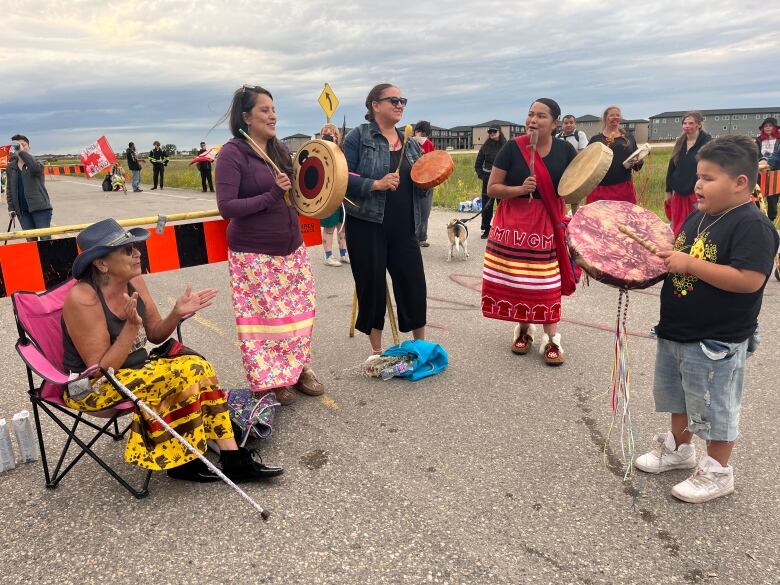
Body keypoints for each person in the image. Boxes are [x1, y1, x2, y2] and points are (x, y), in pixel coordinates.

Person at [62, 218, 283, 483]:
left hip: (135, 372)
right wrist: (131, 328)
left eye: (135, 247)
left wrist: (176, 313)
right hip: (93, 387)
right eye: (127, 250)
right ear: (101, 263)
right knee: (177, 375)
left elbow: (155, 333)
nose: (137, 253)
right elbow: (101, 370)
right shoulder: (83, 298)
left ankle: (233, 458)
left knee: (196, 365)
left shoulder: (135, 282)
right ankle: (184, 462)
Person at [635, 136, 778, 503]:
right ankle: (680, 450)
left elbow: (749, 280)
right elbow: (681, 257)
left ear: (740, 183)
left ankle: (718, 471)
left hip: (717, 338)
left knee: (716, 405)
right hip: (677, 330)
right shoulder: (698, 216)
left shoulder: (752, 225)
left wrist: (690, 265)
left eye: (708, 178)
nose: (698, 184)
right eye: (698, 176)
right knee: (679, 397)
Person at [215, 84, 324, 406]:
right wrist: (272, 195)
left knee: (300, 314)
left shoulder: (277, 149)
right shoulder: (233, 153)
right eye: (264, 110)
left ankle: (298, 368)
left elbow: (301, 190)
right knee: (264, 322)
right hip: (254, 254)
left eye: (274, 109)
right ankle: (270, 380)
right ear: (246, 117)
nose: (272, 115)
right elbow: (227, 207)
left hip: (291, 248)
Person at [481, 99, 577, 366]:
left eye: (541, 116)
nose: (533, 120)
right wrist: (520, 190)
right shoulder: (512, 148)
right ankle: (523, 329)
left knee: (546, 282)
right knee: (519, 280)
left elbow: (575, 188)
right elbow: (493, 188)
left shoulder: (565, 150)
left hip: (547, 225)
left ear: (555, 123)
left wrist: (575, 211)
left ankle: (552, 338)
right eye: (530, 115)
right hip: (514, 225)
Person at [343, 83, 429, 358]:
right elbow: (342, 178)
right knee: (372, 287)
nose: (400, 105)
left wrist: (431, 179)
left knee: (413, 283)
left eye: (402, 100)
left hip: (404, 225)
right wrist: (375, 184)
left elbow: (421, 179)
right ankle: (377, 353)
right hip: (367, 225)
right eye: (393, 100)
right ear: (374, 105)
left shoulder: (410, 141)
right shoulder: (358, 137)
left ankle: (420, 346)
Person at [664, 112, 712, 234]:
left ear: (698, 125)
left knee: (697, 222)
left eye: (691, 123)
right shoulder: (680, 143)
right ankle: (678, 245)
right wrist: (668, 190)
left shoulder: (707, 142)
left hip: (696, 192)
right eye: (685, 123)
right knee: (677, 223)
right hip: (678, 192)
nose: (687, 126)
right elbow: (672, 166)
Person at [585, 106, 643, 204]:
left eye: (618, 115)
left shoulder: (629, 138)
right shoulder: (596, 139)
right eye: (612, 115)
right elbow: (587, 162)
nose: (615, 117)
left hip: (624, 188)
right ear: (605, 119)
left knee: (624, 218)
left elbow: (637, 166)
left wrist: (638, 161)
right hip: (600, 189)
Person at [5, 134, 53, 241]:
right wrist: (11, 208)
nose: (20, 147)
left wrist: (21, 152)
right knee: (31, 241)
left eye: (23, 144)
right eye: (17, 145)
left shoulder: (36, 163)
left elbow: (36, 169)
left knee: (45, 239)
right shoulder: (11, 167)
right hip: (22, 212)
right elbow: (9, 189)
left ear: (29, 147)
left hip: (40, 209)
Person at [318, 123, 349, 267]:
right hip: (328, 195)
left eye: (332, 133)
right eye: (325, 133)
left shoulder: (342, 152)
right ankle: (328, 256)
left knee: (342, 227)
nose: (329, 135)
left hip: (342, 194)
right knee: (329, 228)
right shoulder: (318, 152)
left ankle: (344, 253)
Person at [474, 126, 506, 238]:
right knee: (487, 206)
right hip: (488, 180)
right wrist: (482, 176)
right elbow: (477, 164)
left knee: (503, 205)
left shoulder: (506, 146)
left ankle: (503, 228)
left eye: (494, 131)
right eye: (490, 132)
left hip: (503, 181)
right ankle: (486, 228)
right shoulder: (485, 147)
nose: (492, 133)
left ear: (499, 132)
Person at [413, 120, 435, 247]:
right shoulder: (410, 142)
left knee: (425, 211)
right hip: (413, 181)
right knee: (414, 210)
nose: (421, 136)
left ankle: (422, 237)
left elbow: (433, 161)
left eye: (424, 134)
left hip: (428, 181)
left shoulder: (429, 144)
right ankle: (413, 237)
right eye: (420, 132)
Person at [755, 117, 780, 221]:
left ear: (775, 128)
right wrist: (760, 161)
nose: (768, 128)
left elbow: (777, 154)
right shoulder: (759, 140)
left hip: (774, 171)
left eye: (770, 126)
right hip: (760, 170)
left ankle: (771, 219)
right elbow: (755, 152)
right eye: (766, 126)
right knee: (756, 192)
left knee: (772, 196)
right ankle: (756, 216)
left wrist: (768, 162)